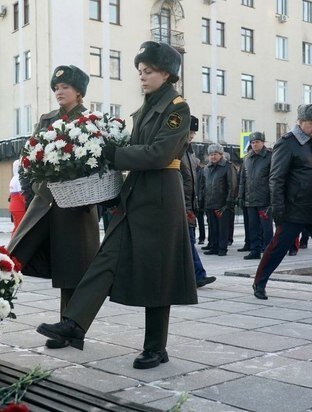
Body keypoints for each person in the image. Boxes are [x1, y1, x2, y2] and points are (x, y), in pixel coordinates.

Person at [36, 41, 197, 369]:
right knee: (104, 260)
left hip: (161, 198)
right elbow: (135, 149)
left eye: (148, 71)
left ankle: (156, 347)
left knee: (158, 273)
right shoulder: (145, 108)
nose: (142, 77)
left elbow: (159, 154)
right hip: (136, 194)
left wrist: (112, 153)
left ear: (167, 74)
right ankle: (74, 323)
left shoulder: (177, 108)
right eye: (140, 71)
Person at [8, 65, 100, 349]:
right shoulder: (47, 120)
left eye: (65, 87)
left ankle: (68, 328)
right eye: (56, 88)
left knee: (72, 267)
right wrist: (32, 190)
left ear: (79, 92)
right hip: (45, 204)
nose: (59, 92)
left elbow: (101, 163)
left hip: (77, 207)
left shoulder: (90, 121)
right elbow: (28, 159)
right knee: (12, 257)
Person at [253, 103, 312, 301]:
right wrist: (277, 207)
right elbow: (276, 178)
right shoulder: (287, 143)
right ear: (300, 122)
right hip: (293, 210)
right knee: (278, 248)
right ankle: (259, 282)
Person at [181, 115, 215, 287]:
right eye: (190, 132)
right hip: (181, 206)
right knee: (188, 242)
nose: (192, 136)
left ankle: (194, 275)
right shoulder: (177, 152)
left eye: (193, 133)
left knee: (188, 242)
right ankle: (197, 275)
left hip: (189, 205)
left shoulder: (190, 154)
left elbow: (192, 184)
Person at [238, 132, 273, 260]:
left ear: (263, 142)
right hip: (250, 199)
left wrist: (272, 197)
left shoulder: (270, 156)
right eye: (252, 142)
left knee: (266, 227)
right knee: (252, 227)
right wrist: (241, 196)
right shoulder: (247, 158)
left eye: (257, 142)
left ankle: (269, 251)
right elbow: (243, 179)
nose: (254, 144)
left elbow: (273, 178)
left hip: (265, 199)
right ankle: (255, 250)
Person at [200, 144, 237, 256]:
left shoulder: (227, 166)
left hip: (222, 203)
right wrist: (202, 200)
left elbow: (232, 185)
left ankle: (222, 248)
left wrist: (229, 201)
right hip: (210, 202)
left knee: (222, 227)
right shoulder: (206, 168)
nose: (213, 157)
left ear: (221, 155)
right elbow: (203, 186)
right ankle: (214, 247)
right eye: (211, 154)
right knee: (212, 227)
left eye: (215, 154)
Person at [8, 159, 26, 234]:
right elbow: (21, 195)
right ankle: (15, 244)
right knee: (20, 229)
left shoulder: (13, 179)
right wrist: (27, 204)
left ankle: (12, 243)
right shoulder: (19, 179)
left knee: (17, 228)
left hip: (14, 207)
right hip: (20, 207)